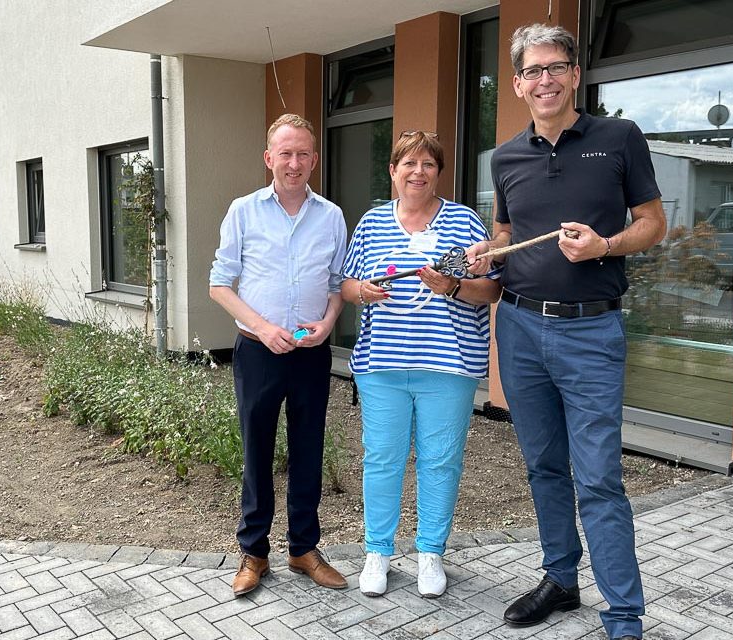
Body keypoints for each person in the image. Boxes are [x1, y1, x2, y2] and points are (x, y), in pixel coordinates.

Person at [465, 24, 667, 640]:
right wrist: (487, 253)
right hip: (520, 327)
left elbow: (654, 224)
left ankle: (624, 613)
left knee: (600, 476)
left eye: (555, 67)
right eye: (532, 71)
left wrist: (606, 245)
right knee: (544, 465)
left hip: (590, 333)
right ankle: (560, 577)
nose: (544, 80)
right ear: (518, 84)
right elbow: (505, 233)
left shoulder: (619, 138)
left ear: (575, 75)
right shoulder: (506, 157)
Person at [341, 131, 501, 598]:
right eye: (408, 163)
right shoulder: (372, 223)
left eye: (428, 164)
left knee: (441, 461)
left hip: (448, 365)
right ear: (392, 171)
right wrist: (362, 292)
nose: (417, 172)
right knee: (382, 458)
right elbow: (347, 284)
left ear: (438, 172)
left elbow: (491, 290)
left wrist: (450, 287)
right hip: (382, 364)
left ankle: (431, 553)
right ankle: (378, 553)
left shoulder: (465, 223)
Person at [209, 113, 348, 597]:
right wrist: (264, 329)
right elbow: (219, 285)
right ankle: (254, 552)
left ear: (314, 158)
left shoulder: (330, 216)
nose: (294, 163)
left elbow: (335, 286)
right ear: (269, 158)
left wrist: (329, 323)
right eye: (285, 153)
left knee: (309, 451)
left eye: (303, 153)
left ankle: (303, 549)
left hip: (311, 352)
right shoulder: (243, 211)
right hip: (258, 351)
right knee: (257, 453)